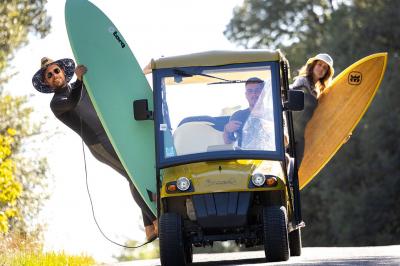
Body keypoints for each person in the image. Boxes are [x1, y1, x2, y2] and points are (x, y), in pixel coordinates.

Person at [32, 57, 157, 241]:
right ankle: (155, 221)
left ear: (63, 72)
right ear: (46, 82)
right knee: (133, 175)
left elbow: (108, 82)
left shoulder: (82, 85)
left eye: (56, 71)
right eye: (49, 75)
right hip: (98, 144)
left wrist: (141, 73)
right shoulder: (57, 103)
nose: (54, 76)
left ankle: (149, 228)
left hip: (112, 138)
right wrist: (80, 80)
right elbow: (72, 102)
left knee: (134, 176)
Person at [290, 53, 335, 163]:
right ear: (313, 65)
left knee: (295, 170)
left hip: (301, 135)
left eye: (325, 68)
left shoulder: (318, 91)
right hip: (289, 131)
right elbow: (291, 106)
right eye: (319, 65)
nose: (321, 69)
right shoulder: (302, 81)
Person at [223, 77, 271, 147]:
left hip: (268, 155)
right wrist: (226, 129)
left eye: (257, 91)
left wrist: (272, 130)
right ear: (246, 95)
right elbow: (227, 142)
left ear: (263, 93)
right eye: (250, 91)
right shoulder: (238, 115)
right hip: (244, 156)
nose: (253, 94)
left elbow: (286, 141)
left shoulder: (273, 114)